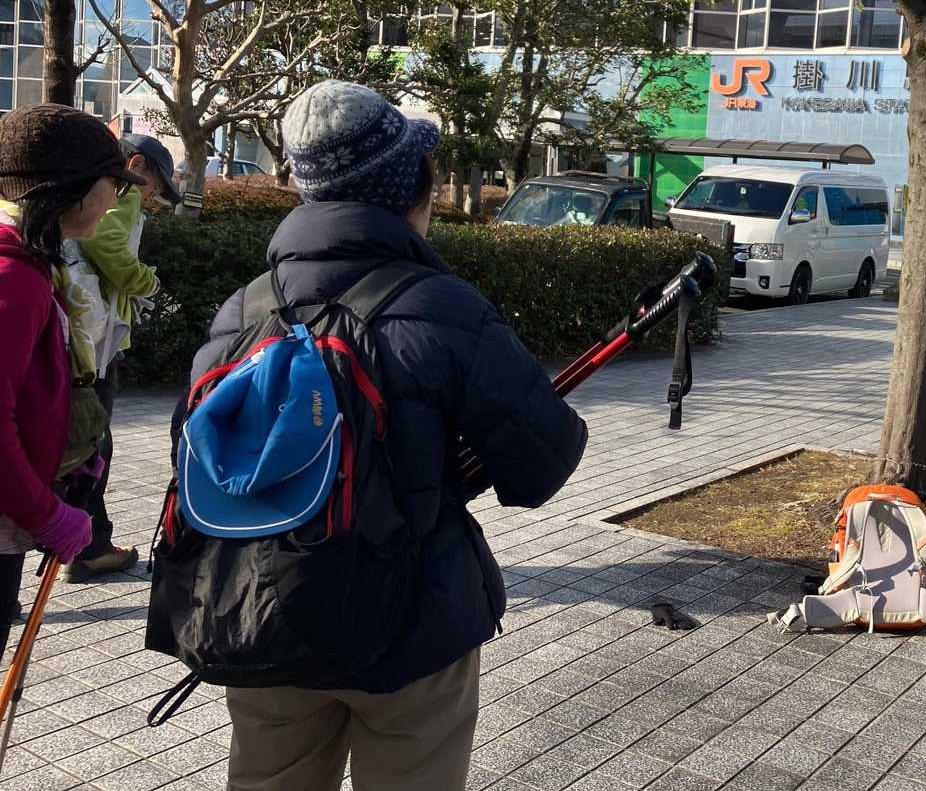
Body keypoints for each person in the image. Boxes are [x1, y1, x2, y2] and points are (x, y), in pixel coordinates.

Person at [181, 82, 587, 791]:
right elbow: (541, 465)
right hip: (412, 626)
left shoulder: (241, 311)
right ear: (410, 192)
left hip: (267, 614)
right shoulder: (441, 307)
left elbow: (200, 463)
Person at [0, 104, 147, 652]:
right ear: (70, 189)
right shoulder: (14, 278)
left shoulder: (32, 263)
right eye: (114, 184)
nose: (115, 200)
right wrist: (47, 516)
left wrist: (70, 450)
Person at [62, 133, 181, 582]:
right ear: (137, 166)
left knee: (87, 441)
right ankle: (87, 548)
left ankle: (86, 542)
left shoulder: (80, 187)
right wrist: (146, 281)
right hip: (92, 343)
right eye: (156, 186)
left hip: (81, 336)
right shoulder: (121, 190)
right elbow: (105, 243)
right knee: (92, 442)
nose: (151, 198)